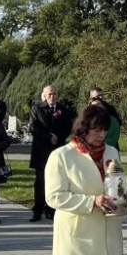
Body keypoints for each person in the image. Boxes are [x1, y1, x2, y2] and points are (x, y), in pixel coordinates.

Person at [46, 105, 125, 255]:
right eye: (95, 130)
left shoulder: (111, 152)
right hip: (80, 234)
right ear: (82, 129)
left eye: (104, 130)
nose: (100, 135)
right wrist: (91, 201)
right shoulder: (62, 156)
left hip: (108, 231)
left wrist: (122, 197)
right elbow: (54, 196)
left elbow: (116, 181)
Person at [29, 85, 74, 222]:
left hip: (57, 149)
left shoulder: (63, 109)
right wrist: (49, 137)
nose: (52, 96)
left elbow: (68, 127)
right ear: (44, 95)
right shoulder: (37, 108)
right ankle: (37, 210)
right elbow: (33, 127)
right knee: (41, 182)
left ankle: (51, 210)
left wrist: (58, 137)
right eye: (49, 94)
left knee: (56, 181)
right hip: (41, 150)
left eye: (54, 94)